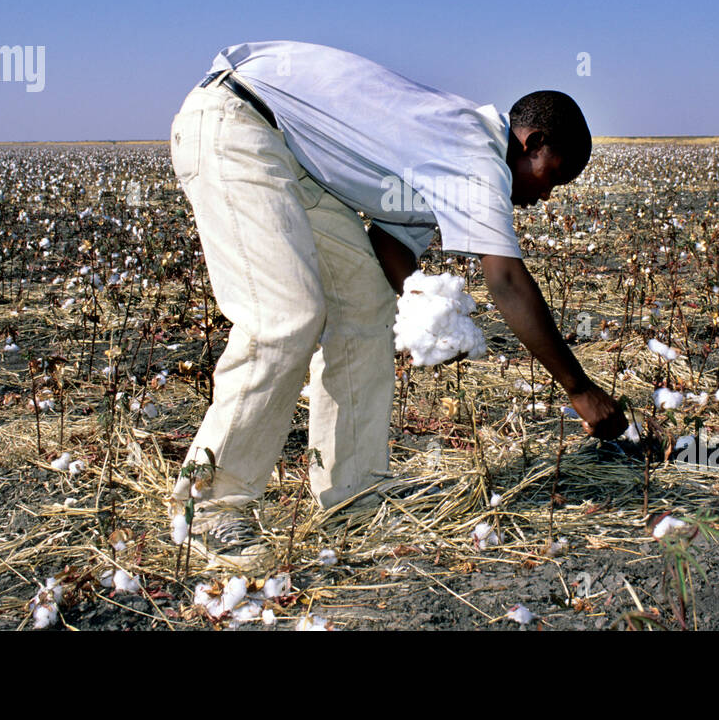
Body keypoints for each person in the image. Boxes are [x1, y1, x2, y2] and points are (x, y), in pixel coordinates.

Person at [167, 40, 628, 567]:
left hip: (294, 155)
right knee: (285, 318)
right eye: (553, 176)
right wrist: (581, 390)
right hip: (238, 122)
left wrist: (426, 313)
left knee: (364, 308)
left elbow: (389, 246)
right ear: (532, 142)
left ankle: (354, 493)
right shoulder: (477, 156)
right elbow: (505, 282)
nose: (545, 197)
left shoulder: (455, 155)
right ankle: (208, 507)